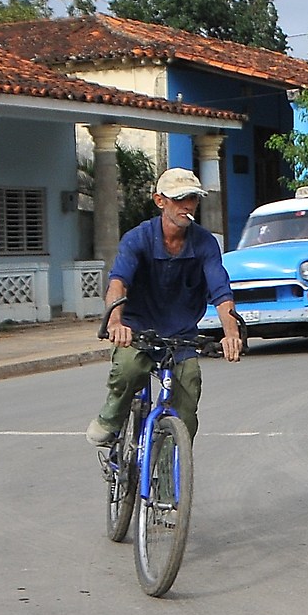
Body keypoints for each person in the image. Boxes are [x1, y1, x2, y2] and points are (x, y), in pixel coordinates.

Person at [87, 167, 245, 449]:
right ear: (160, 201)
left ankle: (169, 482)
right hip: (136, 330)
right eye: (180, 198)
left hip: (181, 334)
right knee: (128, 369)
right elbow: (118, 283)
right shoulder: (138, 239)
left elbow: (221, 290)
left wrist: (231, 333)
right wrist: (115, 323)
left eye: (193, 199)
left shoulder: (205, 242)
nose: (188, 205)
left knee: (187, 396)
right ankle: (111, 417)